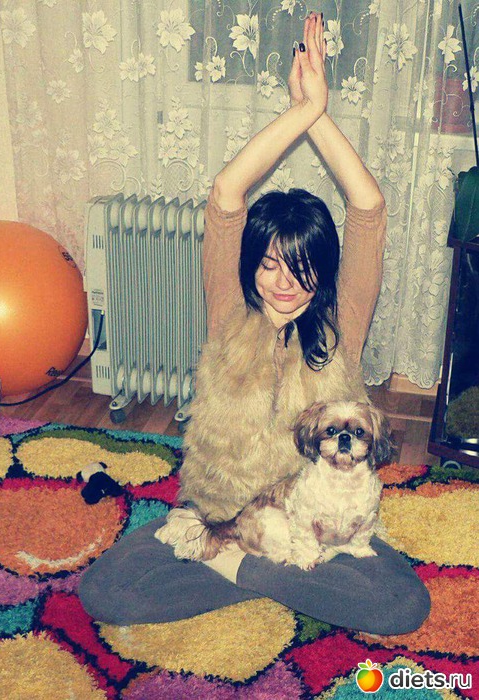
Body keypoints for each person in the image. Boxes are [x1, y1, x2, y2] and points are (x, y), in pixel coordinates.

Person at [78, 13, 431, 634]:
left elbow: (368, 207)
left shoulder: (341, 327)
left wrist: (319, 112)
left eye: (301, 268)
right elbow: (226, 194)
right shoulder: (227, 312)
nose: (284, 283)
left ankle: (241, 575)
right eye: (270, 264)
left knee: (403, 607)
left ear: (323, 272)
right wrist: (299, 111)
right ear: (250, 265)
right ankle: (267, 579)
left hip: (312, 525)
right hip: (213, 520)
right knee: (105, 594)